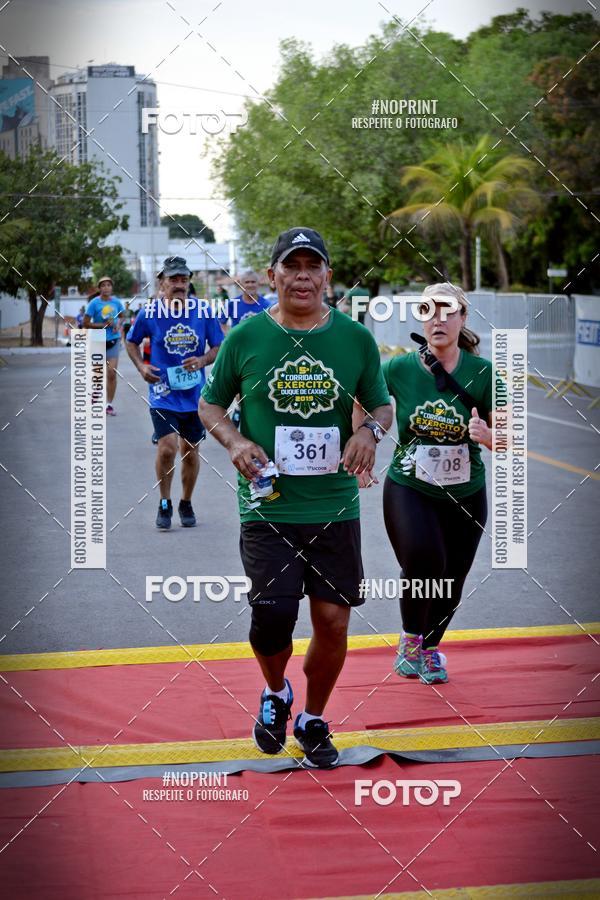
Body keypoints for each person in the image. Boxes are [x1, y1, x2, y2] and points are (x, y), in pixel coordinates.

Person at [200, 227, 392, 768]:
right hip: (268, 505)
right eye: (292, 266)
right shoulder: (246, 337)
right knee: (272, 616)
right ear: (273, 275)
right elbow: (210, 405)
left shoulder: (355, 339)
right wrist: (235, 441)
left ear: (328, 275)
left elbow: (381, 405)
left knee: (333, 622)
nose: (302, 276)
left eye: (313, 266)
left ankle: (312, 717)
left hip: (334, 506)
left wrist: (369, 432)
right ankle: (275, 691)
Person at [381, 282, 497, 685]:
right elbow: (361, 398)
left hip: (466, 492)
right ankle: (411, 641)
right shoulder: (397, 368)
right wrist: (363, 437)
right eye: (429, 311)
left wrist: (489, 436)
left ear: (463, 318)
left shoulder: (484, 373)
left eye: (447, 311)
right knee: (424, 558)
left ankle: (430, 649)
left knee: (452, 577)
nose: (438, 319)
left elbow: (511, 434)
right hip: (410, 486)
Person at [126, 256, 224, 529]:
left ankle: (186, 502)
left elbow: (219, 346)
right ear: (162, 283)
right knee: (168, 448)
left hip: (194, 396)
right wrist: (141, 366)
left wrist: (202, 360)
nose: (179, 284)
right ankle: (165, 501)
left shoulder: (203, 312)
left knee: (190, 451)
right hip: (162, 393)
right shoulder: (149, 313)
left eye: (184, 279)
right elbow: (131, 341)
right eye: (173, 279)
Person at [84, 276, 125, 416]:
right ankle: (96, 391)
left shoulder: (117, 302)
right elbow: (85, 323)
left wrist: (118, 325)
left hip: (113, 340)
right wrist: (102, 325)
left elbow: (122, 316)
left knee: (112, 373)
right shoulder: (94, 303)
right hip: (97, 340)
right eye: (103, 285)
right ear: (99, 288)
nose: (106, 287)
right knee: (98, 373)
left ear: (112, 287)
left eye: (109, 285)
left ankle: (109, 405)